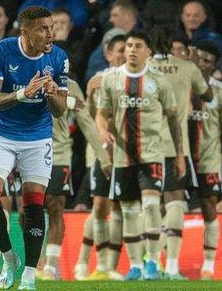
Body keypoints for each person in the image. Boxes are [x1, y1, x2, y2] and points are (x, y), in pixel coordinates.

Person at [0, 5, 68, 290]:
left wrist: (52, 94)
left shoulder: (59, 57)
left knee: (33, 205)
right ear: (25, 31)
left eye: (51, 27)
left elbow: (60, 111)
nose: (50, 33)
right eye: (43, 28)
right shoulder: (0, 51)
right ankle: (8, 256)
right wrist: (22, 93)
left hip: (37, 137)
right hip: (1, 134)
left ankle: (29, 274)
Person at [96, 30, 183, 281]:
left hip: (152, 154)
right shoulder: (111, 79)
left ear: (149, 52)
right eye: (129, 45)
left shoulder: (159, 81)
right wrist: (102, 130)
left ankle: (153, 263)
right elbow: (102, 113)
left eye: (138, 46)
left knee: (151, 205)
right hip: (123, 157)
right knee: (130, 211)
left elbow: (174, 121)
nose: (132, 50)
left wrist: (179, 154)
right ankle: (135, 266)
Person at [147, 27, 213, 280]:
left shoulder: (144, 66)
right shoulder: (187, 67)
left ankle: (148, 262)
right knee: (175, 200)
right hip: (175, 146)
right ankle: (172, 267)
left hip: (145, 145)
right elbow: (208, 94)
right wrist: (191, 66)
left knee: (148, 202)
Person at [40, 76, 112, 281]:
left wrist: (103, 156)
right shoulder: (28, 77)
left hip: (59, 153)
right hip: (28, 151)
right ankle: (36, 262)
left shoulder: (71, 86)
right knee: (29, 211)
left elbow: (87, 123)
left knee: (55, 207)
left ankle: (50, 269)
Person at [74, 35, 126, 281]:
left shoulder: (135, 79)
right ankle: (85, 262)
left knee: (119, 208)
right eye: (119, 50)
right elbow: (88, 117)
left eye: (128, 49)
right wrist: (90, 93)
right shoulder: (99, 80)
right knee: (100, 205)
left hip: (128, 153)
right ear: (108, 54)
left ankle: (110, 267)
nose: (124, 54)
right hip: (102, 152)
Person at [188, 40, 222, 280]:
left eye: (208, 61)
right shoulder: (180, 84)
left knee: (209, 207)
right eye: (200, 59)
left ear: (215, 65)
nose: (203, 65)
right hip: (182, 157)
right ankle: (160, 258)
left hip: (209, 157)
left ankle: (208, 265)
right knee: (169, 204)